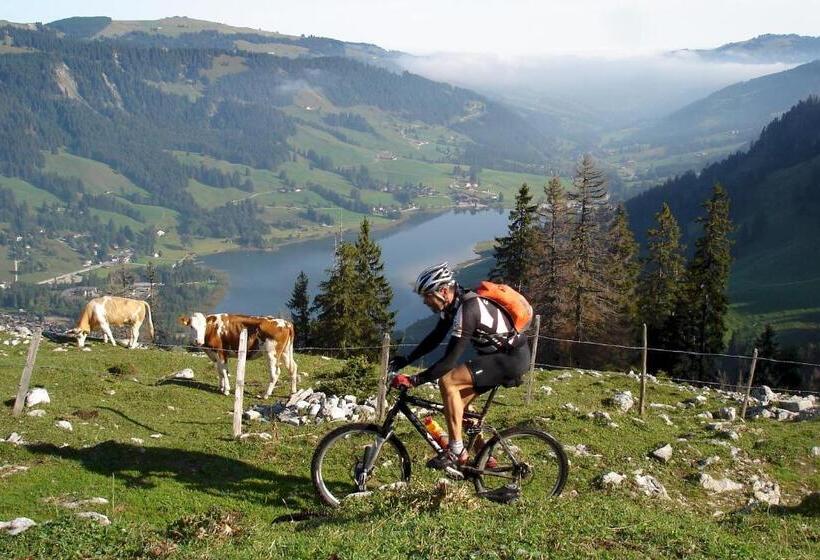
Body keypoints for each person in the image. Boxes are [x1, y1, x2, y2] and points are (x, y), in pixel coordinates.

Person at [389, 262, 531, 472]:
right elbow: (435, 338)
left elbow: (449, 361)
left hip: (510, 359)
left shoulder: (467, 309)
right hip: (501, 358)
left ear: (443, 291)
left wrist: (414, 380)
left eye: (427, 296)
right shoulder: (454, 306)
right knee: (458, 408)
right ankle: (485, 456)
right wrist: (406, 359)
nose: (425, 302)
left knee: (448, 381)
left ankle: (456, 451)